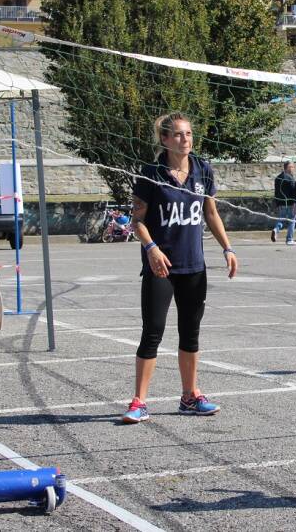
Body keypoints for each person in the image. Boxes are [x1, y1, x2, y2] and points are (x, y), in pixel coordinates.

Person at [123, 113, 239, 424]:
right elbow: (137, 221)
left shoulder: (202, 169)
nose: (184, 139)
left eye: (188, 134)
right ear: (164, 139)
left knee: (190, 333)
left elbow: (210, 213)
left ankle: (190, 396)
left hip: (193, 267)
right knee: (153, 332)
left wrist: (227, 248)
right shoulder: (152, 173)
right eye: (177, 135)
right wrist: (151, 248)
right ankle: (139, 401)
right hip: (161, 267)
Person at [272, 161, 296, 245]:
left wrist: (276, 203)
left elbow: (276, 192)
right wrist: (295, 204)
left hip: (281, 203)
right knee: (292, 220)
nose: (293, 169)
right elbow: (294, 192)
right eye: (291, 167)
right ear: (287, 168)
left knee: (281, 219)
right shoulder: (290, 178)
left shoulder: (278, 178)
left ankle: (276, 229)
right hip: (290, 203)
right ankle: (289, 239)